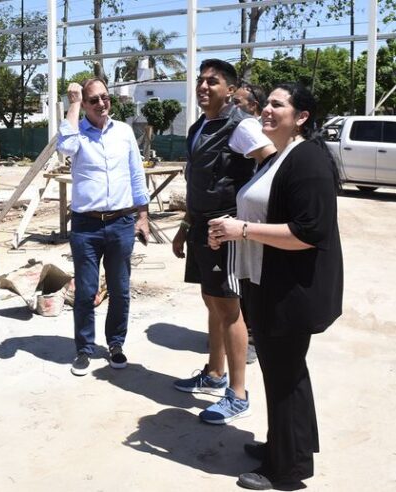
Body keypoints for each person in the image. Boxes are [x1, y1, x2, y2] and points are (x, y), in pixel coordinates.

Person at [207, 84, 343, 490]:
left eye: (277, 105)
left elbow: (308, 233)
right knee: (281, 373)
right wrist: (228, 230)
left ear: (301, 117)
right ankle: (285, 446)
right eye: (266, 103)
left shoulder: (308, 161)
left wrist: (242, 229)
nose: (265, 110)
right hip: (265, 282)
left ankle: (287, 471)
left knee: (285, 375)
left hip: (292, 290)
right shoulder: (279, 155)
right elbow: (263, 209)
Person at [171, 59, 275, 424]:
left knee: (229, 308)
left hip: (224, 230)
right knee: (211, 301)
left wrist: (247, 218)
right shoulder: (201, 125)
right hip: (200, 226)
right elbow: (198, 183)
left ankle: (238, 394)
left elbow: (270, 162)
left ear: (230, 90)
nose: (203, 86)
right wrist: (185, 224)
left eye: (212, 82)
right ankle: (214, 374)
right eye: (200, 80)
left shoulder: (241, 125)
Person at [57, 78, 150, 377]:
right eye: (93, 100)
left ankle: (115, 344)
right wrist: (71, 105)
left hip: (121, 222)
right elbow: (65, 145)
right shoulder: (77, 133)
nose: (101, 104)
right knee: (85, 290)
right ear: (84, 104)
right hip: (86, 226)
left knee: (121, 290)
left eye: (105, 98)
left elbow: (136, 173)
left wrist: (143, 215)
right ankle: (84, 348)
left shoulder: (123, 132)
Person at [234, 80, 268, 365]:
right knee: (242, 279)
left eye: (239, 102)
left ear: (252, 106)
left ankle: (254, 339)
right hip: (241, 219)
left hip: (257, 221)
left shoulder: (251, 129)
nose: (234, 107)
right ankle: (244, 333)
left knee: (255, 279)